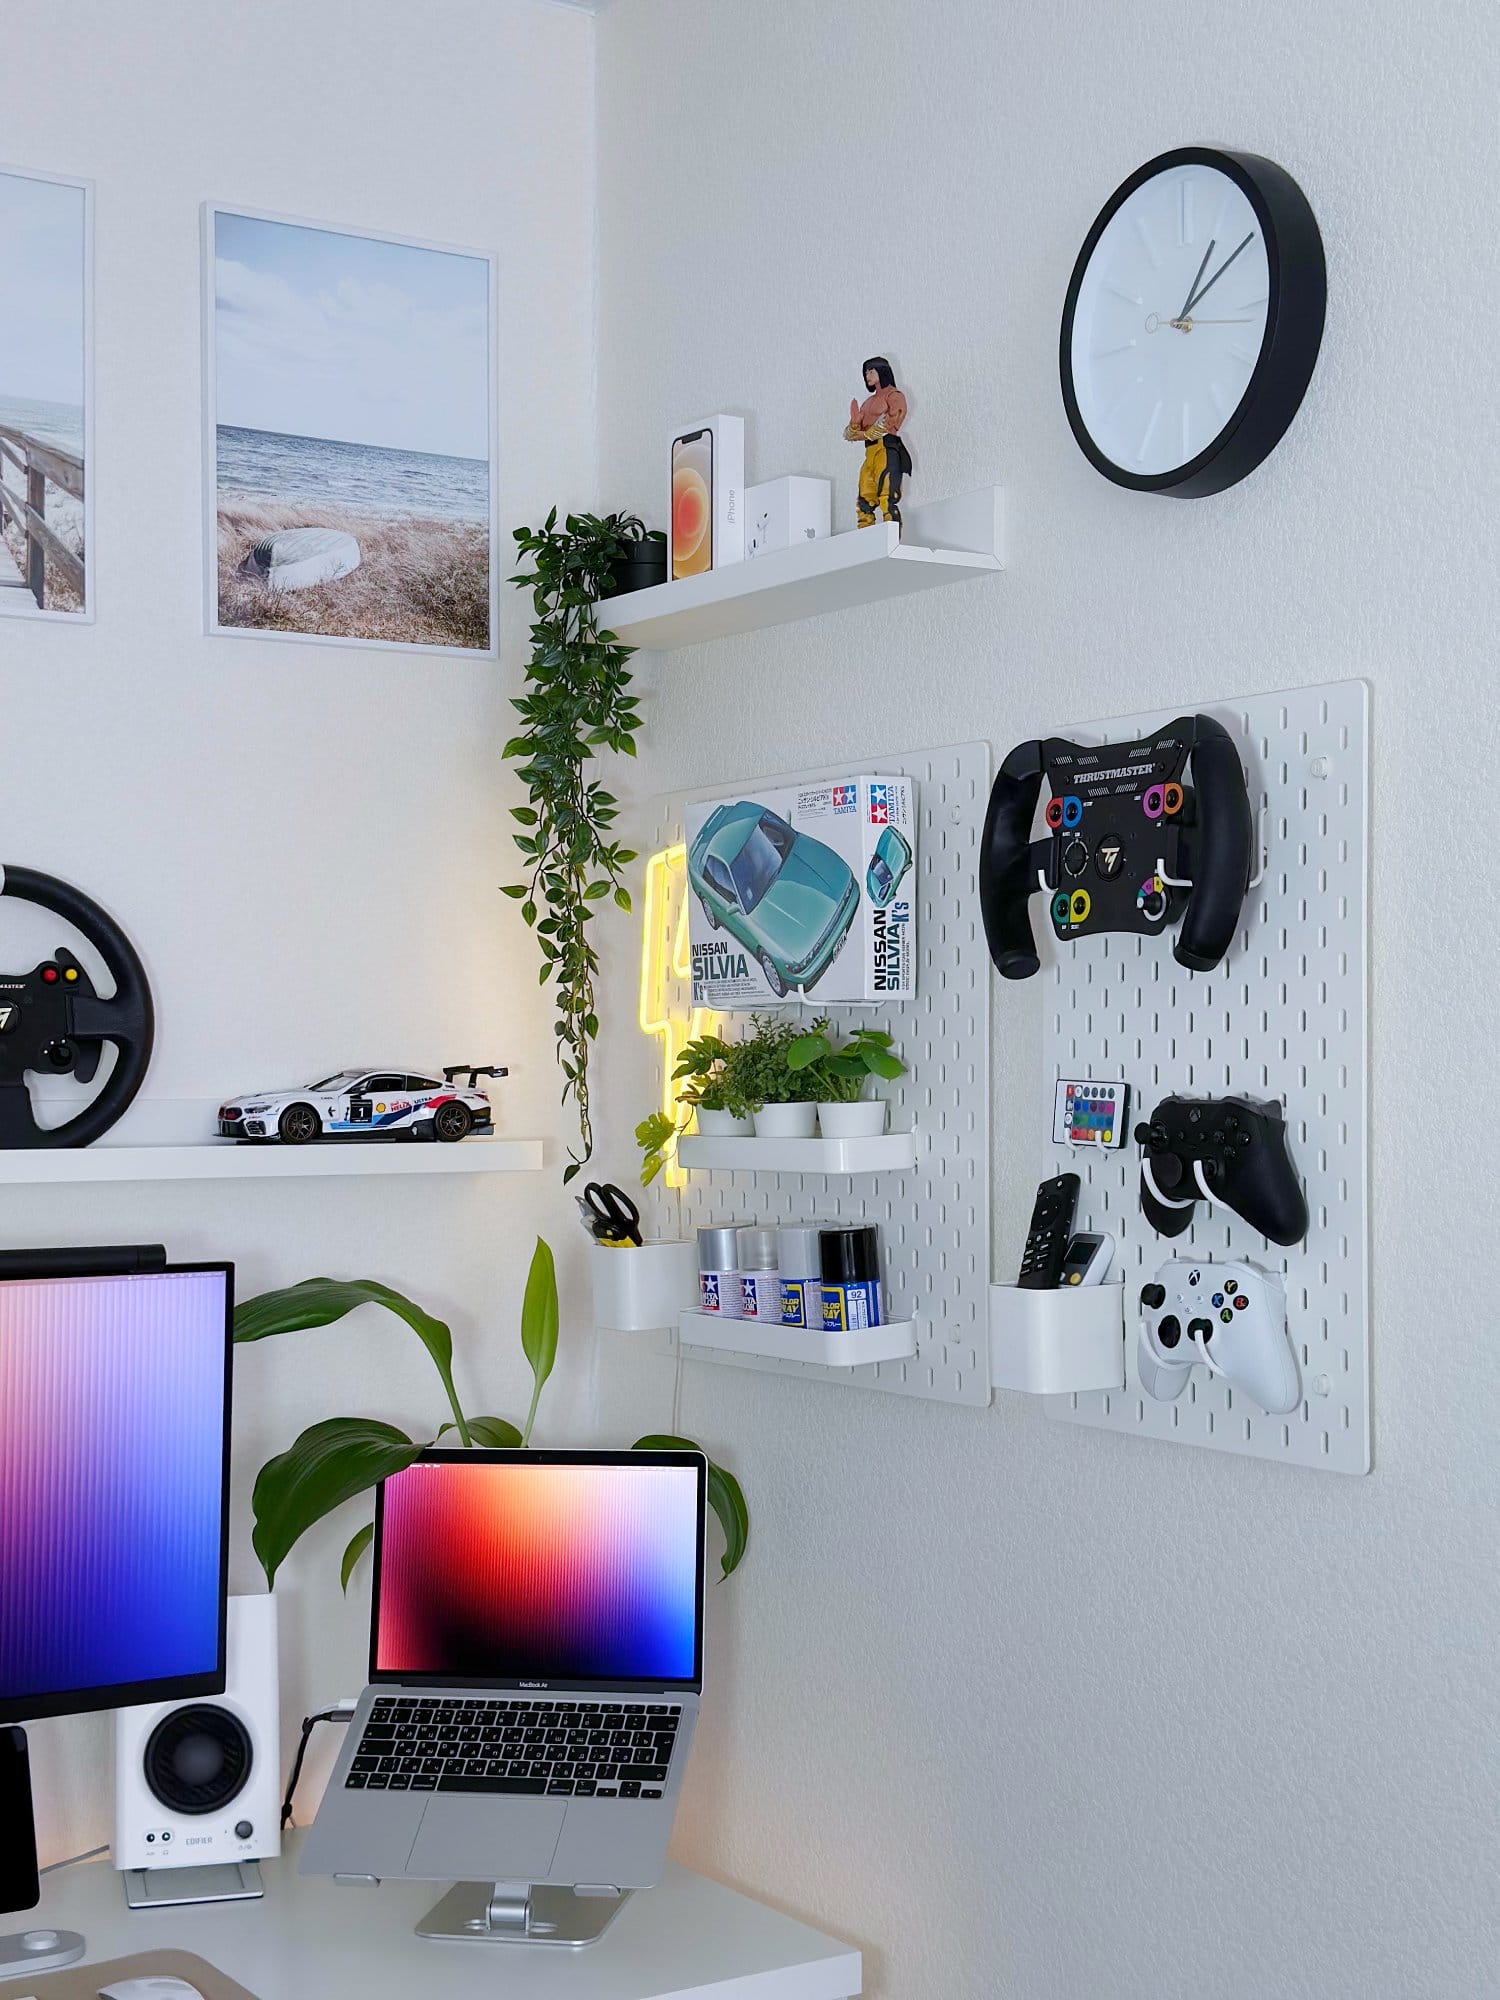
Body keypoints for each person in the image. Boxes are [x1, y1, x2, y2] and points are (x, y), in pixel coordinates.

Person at [844, 356, 912, 527]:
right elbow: (849, 434)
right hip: (870, 453)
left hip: (886, 448)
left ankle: (891, 536)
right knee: (865, 497)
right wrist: (854, 424)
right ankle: (865, 537)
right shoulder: (868, 402)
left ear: (882, 371)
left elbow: (892, 420)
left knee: (887, 494)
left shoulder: (894, 395)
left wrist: (864, 434)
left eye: (871, 371)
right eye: (866, 372)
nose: (867, 375)